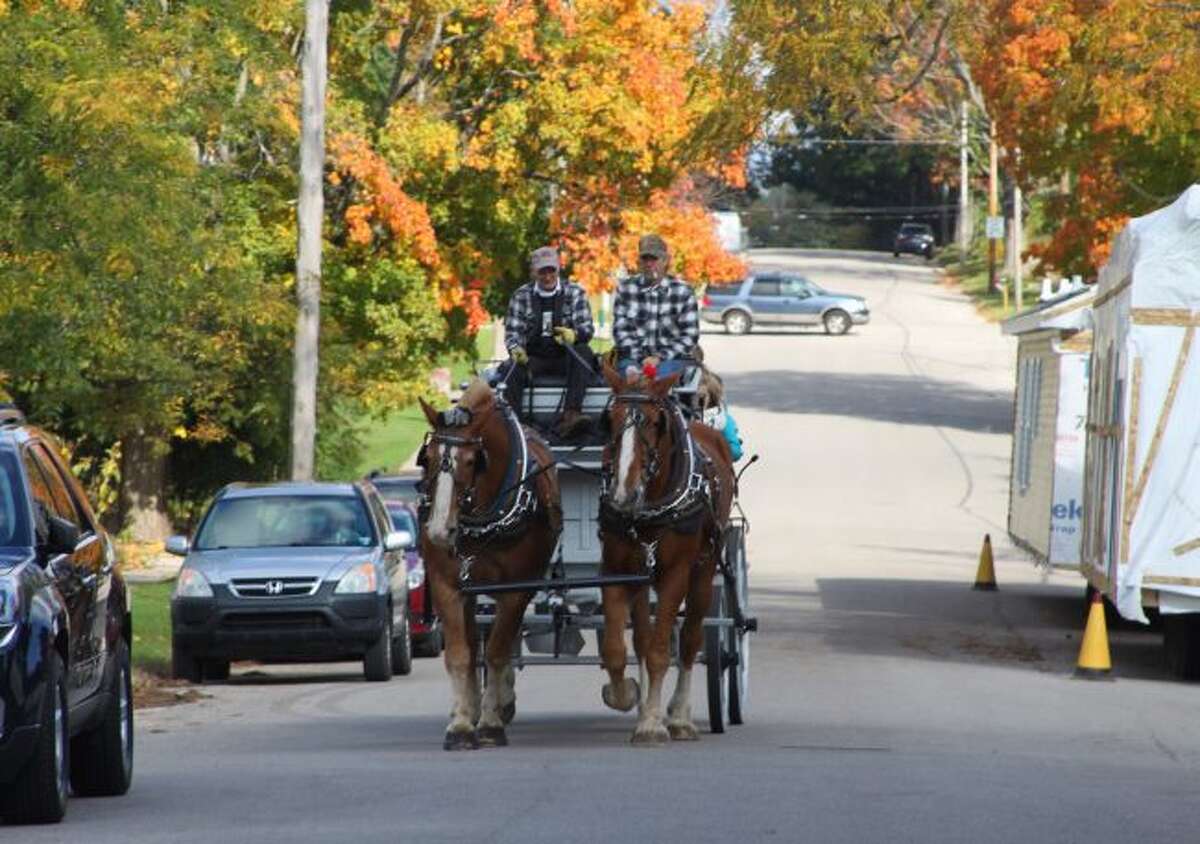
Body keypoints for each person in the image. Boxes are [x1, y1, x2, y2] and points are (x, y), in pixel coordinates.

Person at [502, 246, 598, 437]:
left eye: (551, 270)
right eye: (542, 272)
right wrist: (515, 348)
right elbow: (512, 333)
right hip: (534, 358)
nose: (547, 276)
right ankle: (516, 426)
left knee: (584, 352)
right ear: (534, 272)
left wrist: (574, 335)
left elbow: (587, 328)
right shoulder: (521, 296)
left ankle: (571, 414)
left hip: (566, 357)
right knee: (510, 368)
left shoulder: (575, 292)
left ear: (558, 268)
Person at [613, 234, 699, 380]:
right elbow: (621, 333)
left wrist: (658, 358)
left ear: (665, 261)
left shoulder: (683, 291)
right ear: (639, 262)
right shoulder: (625, 289)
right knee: (630, 375)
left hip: (672, 359)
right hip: (634, 358)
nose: (649, 263)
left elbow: (690, 335)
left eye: (654, 259)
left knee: (657, 378)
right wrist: (642, 359)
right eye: (645, 259)